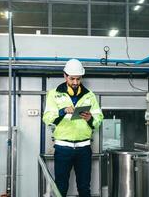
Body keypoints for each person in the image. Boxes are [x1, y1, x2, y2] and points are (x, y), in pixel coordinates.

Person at [43, 59, 104, 197]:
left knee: (84, 188)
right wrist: (62, 111)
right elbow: (47, 118)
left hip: (84, 148)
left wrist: (91, 119)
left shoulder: (90, 95)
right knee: (61, 187)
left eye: (78, 79)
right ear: (65, 76)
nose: (75, 82)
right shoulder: (54, 94)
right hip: (63, 148)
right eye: (72, 79)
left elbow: (99, 118)